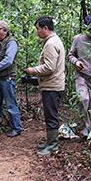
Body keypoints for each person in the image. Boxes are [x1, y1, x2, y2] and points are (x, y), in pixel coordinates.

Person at [24, 16, 65, 156]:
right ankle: (50, 142)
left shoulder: (50, 44)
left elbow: (49, 67)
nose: (37, 32)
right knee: (50, 115)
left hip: (52, 86)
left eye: (38, 29)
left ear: (45, 28)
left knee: (51, 116)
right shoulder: (55, 41)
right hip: (52, 84)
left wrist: (32, 70)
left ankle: (53, 146)